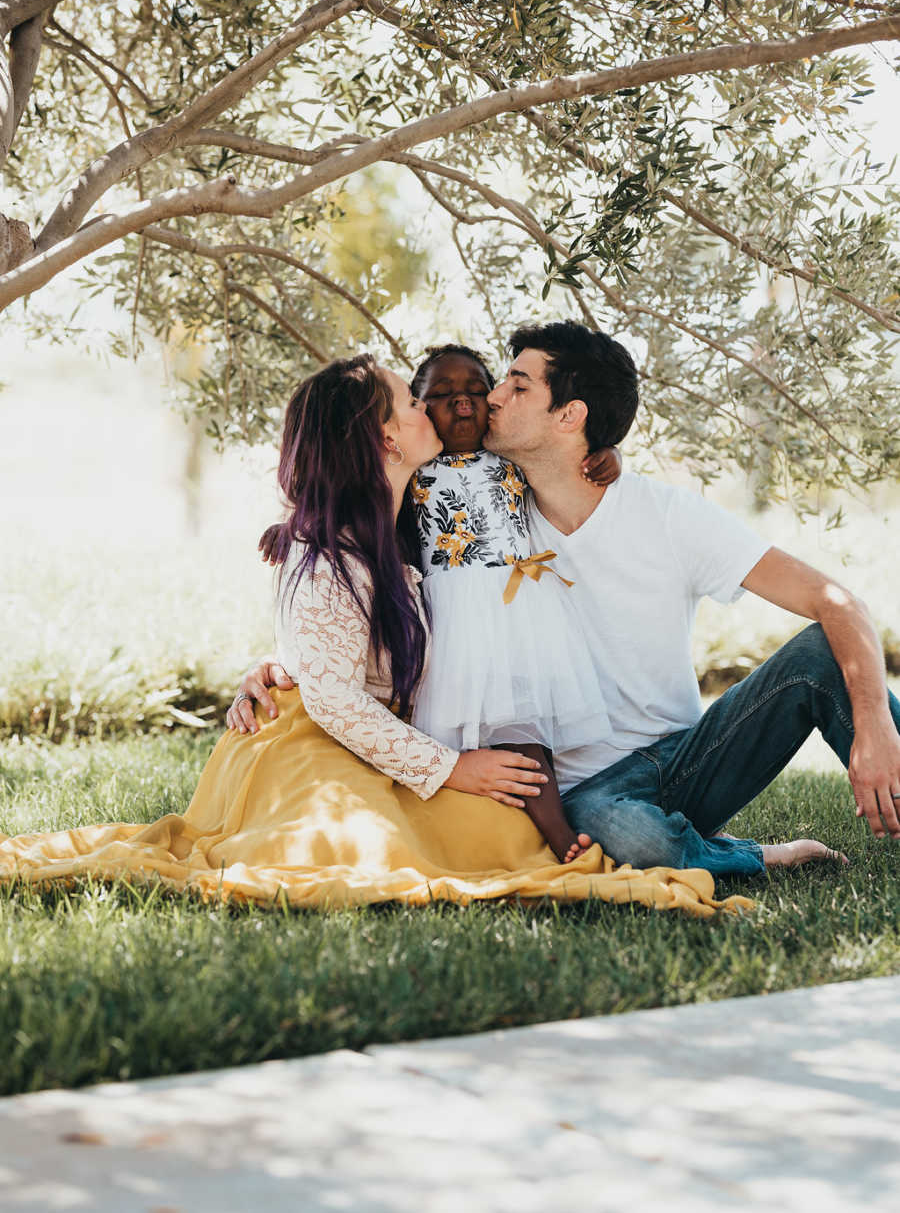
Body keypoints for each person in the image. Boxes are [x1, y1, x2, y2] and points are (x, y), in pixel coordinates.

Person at [0, 352, 750, 915]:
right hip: (312, 750)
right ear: (387, 436)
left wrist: (600, 456)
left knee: (508, 815)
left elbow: (340, 649)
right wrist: (451, 768)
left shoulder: (399, 523)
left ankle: (692, 850)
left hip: (367, 736)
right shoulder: (330, 550)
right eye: (411, 402)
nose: (442, 410)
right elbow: (331, 696)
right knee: (395, 847)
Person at [237, 321, 900, 872]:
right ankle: (754, 857)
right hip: (578, 793)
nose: (491, 397)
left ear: (570, 416)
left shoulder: (663, 515)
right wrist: (284, 663)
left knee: (821, 655)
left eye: (514, 385)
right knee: (626, 835)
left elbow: (835, 601)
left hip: (685, 757)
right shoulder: (480, 511)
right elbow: (359, 584)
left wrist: (873, 725)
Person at [407, 344, 615, 863]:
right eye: (443, 395)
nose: (463, 405)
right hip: (453, 615)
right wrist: (296, 528)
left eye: (476, 393)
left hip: (518, 609)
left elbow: (565, 453)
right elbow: (349, 503)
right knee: (458, 737)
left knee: (524, 728)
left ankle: (558, 836)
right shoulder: (414, 469)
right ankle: (473, 840)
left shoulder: (509, 457)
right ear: (417, 406)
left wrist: (609, 453)